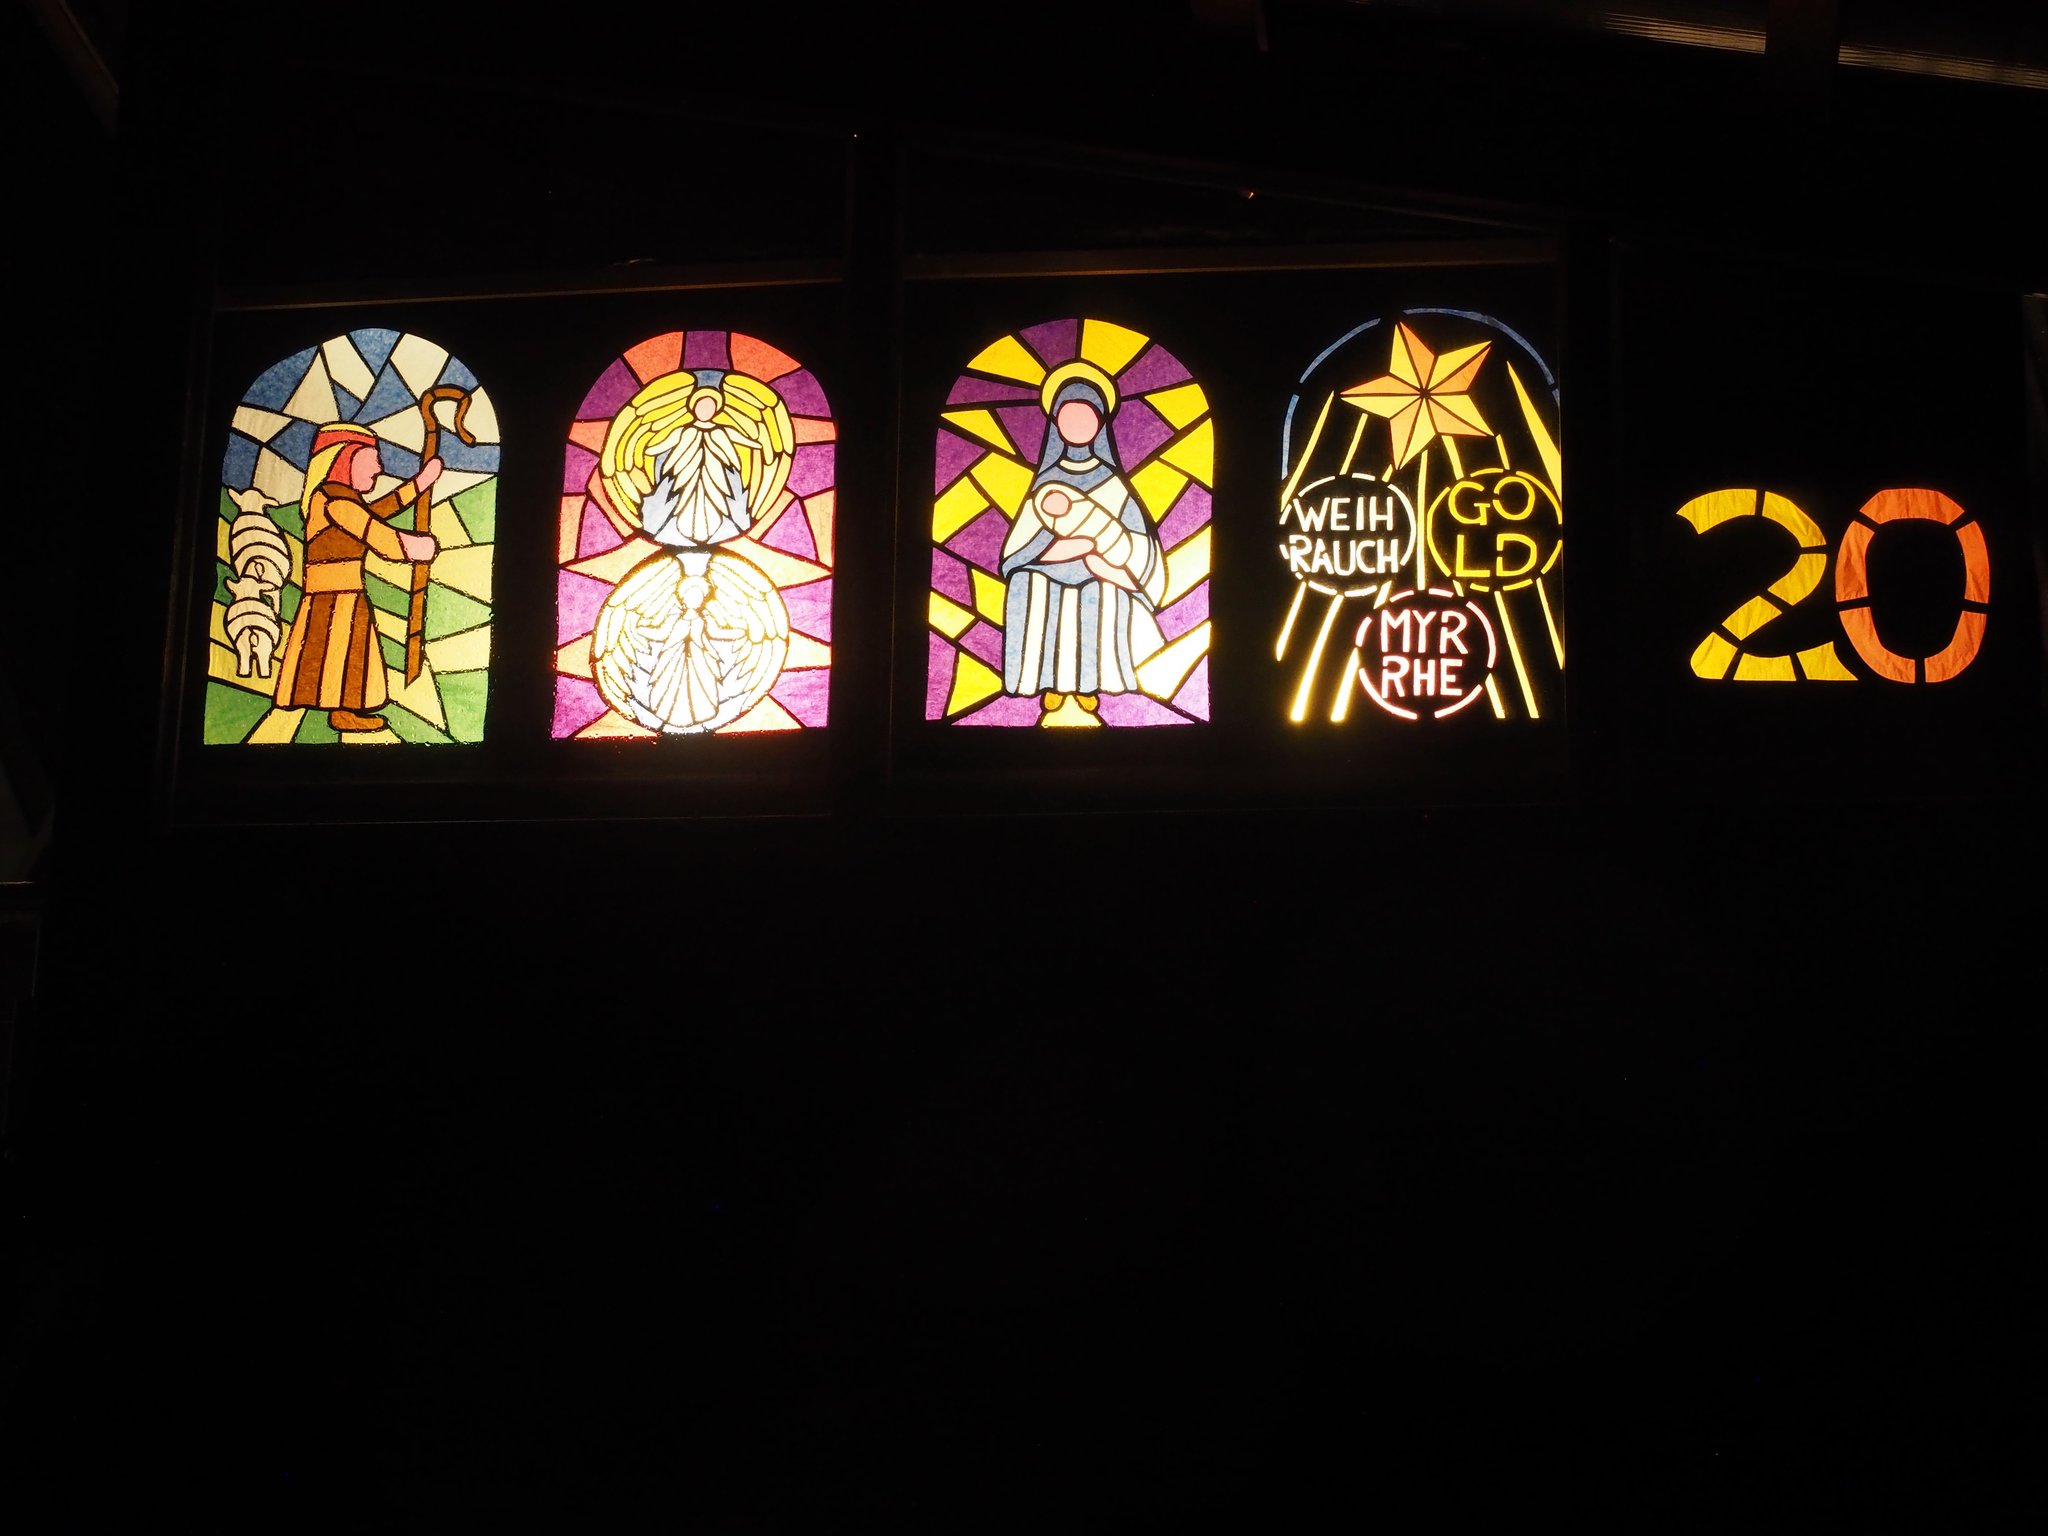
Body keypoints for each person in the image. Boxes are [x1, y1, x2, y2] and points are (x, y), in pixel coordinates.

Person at [998, 362, 1166, 720]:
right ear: (1056, 423)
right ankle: (1049, 682)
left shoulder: (1113, 482)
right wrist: (1055, 551)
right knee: (1025, 581)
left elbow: (1139, 540)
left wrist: (1107, 559)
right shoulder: (1046, 481)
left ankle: (1090, 683)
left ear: (1100, 424)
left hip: (1098, 569)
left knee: (1103, 589)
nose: (1077, 424)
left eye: (1086, 416)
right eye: (1068, 416)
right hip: (1049, 567)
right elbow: (1017, 550)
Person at [271, 423, 441, 732]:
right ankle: (341, 711)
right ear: (345, 459)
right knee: (339, 649)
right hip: (333, 596)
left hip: (345, 592)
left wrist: (420, 483)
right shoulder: (334, 501)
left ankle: (344, 710)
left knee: (349, 651)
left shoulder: (343, 498)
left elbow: (379, 510)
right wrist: (415, 547)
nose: (379, 468)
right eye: (372, 459)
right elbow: (377, 535)